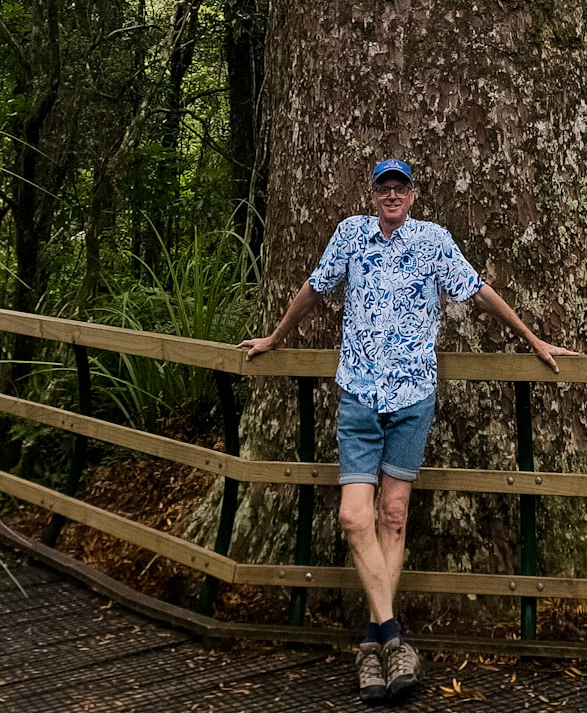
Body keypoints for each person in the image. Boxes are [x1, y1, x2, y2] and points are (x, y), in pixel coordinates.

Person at [244, 157, 569, 703]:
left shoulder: (434, 240)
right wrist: (275, 338)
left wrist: (533, 340)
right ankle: (394, 634)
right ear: (372, 195)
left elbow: (479, 291)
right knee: (355, 516)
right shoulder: (350, 234)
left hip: (413, 396)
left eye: (400, 187)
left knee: (393, 515)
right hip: (359, 394)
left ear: (412, 195)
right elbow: (314, 288)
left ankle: (373, 645)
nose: (391, 195)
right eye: (383, 188)